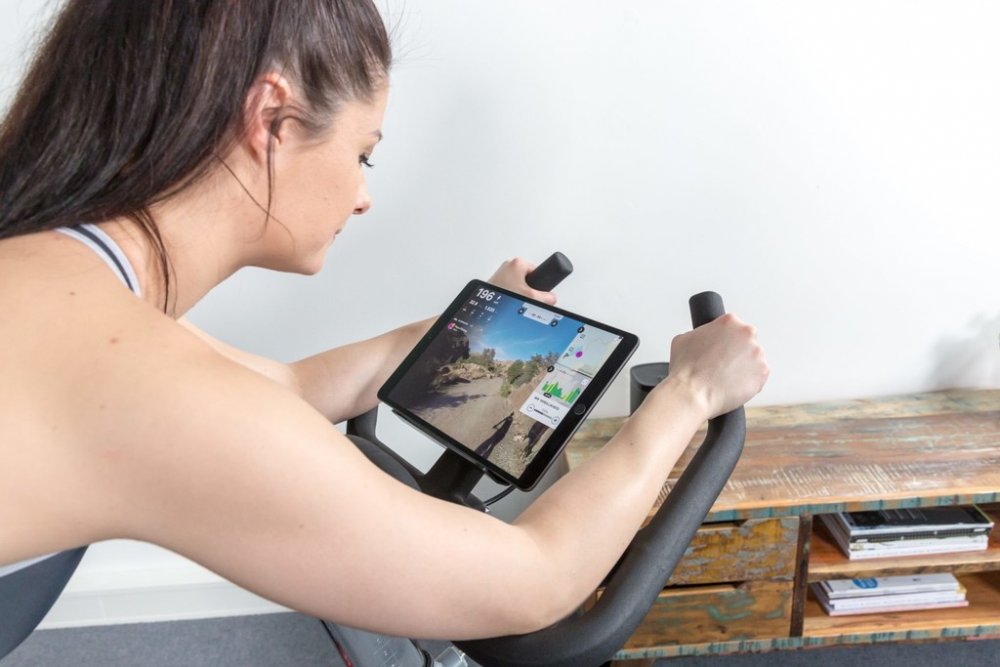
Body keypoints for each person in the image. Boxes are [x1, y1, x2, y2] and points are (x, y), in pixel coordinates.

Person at [0, 0, 768, 643]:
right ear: (272, 118)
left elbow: (289, 390)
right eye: (363, 154)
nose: (363, 196)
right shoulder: (139, 381)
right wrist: (690, 393)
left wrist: (463, 327)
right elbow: (535, 577)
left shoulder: (63, 275)